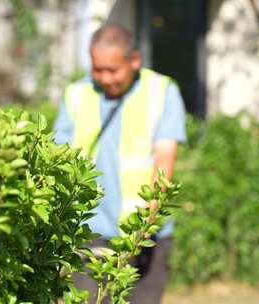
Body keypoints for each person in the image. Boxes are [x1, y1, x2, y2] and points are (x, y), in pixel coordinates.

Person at [53, 23, 186, 304]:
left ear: (134, 60)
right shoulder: (76, 95)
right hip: (87, 232)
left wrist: (144, 227)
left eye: (112, 70)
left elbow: (164, 163)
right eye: (97, 69)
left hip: (142, 235)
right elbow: (58, 158)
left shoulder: (161, 92)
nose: (104, 77)